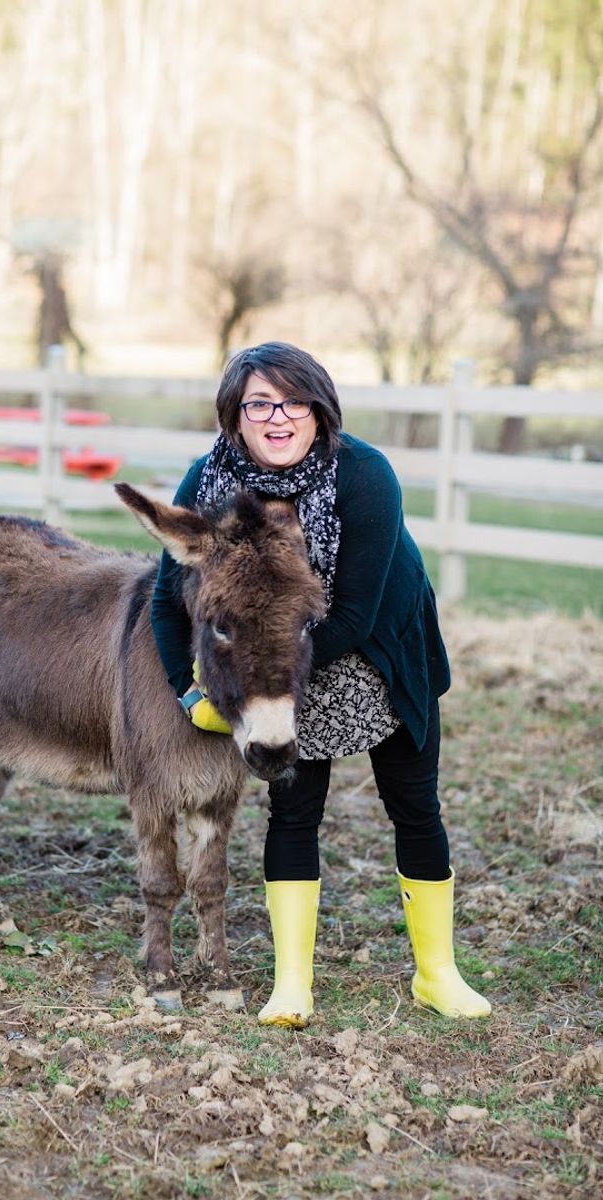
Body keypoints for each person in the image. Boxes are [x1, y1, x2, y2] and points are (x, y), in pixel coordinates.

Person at [151, 341, 491, 1028]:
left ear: (320, 408)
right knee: (295, 811)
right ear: (233, 414)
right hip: (280, 675)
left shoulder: (364, 475)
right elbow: (167, 602)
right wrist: (192, 694)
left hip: (379, 653)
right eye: (259, 403)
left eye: (295, 401)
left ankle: (438, 974)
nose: (279, 418)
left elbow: (357, 613)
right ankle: (292, 984)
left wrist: (259, 681)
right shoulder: (207, 484)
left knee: (415, 807)